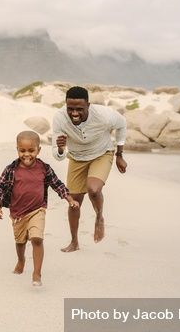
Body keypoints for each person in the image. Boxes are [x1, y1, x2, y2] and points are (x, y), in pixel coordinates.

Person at [0, 131, 79, 286]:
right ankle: (21, 260)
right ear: (17, 149)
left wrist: (69, 199)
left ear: (38, 150)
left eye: (31, 151)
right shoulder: (11, 169)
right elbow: (0, 186)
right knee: (20, 242)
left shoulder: (44, 168)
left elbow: (57, 184)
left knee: (37, 239)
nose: (26, 154)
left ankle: (37, 273)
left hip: (37, 210)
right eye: (22, 150)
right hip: (17, 214)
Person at [52, 86, 127, 252]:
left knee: (93, 189)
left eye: (79, 109)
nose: (74, 113)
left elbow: (122, 124)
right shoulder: (59, 118)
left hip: (102, 153)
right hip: (77, 158)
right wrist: (59, 149)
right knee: (73, 203)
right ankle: (74, 242)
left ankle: (99, 216)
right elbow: (57, 156)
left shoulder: (104, 115)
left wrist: (119, 155)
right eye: (70, 109)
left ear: (88, 105)